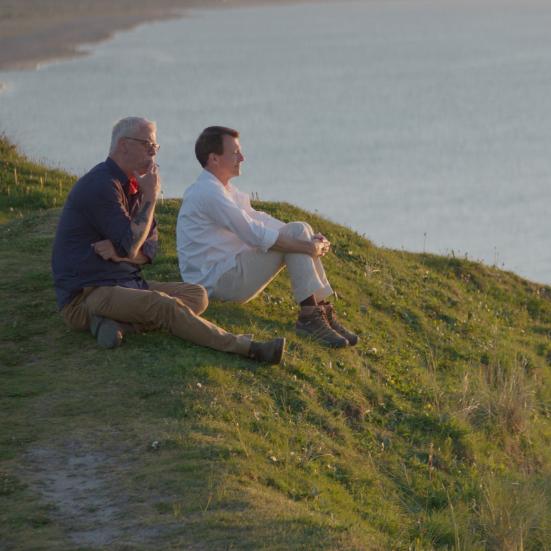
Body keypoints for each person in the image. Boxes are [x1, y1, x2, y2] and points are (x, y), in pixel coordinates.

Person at [51, 117, 285, 364]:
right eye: (147, 144)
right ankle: (247, 347)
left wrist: (122, 253)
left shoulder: (135, 186)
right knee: (164, 305)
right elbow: (132, 245)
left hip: (127, 283)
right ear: (123, 146)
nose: (153, 152)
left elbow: (148, 250)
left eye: (156, 146)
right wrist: (150, 199)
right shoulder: (101, 185)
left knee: (197, 295)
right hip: (88, 294)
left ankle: (114, 323)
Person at [176, 126, 357, 348]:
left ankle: (320, 311)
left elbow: (256, 218)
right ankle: (310, 317)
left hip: (228, 273)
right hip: (216, 283)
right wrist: (305, 245)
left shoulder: (223, 189)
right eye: (235, 153)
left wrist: (308, 240)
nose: (242, 158)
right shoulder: (208, 192)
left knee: (300, 229)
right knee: (297, 233)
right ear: (214, 158)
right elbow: (253, 234)